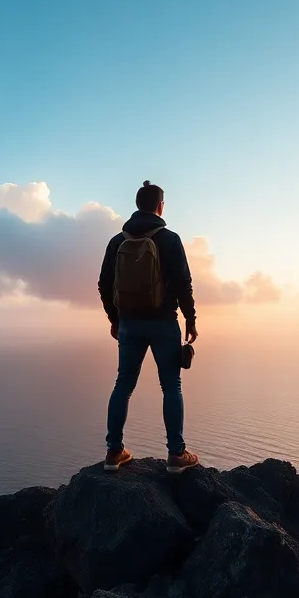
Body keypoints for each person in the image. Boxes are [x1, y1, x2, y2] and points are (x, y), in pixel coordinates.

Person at [98, 181, 200, 473]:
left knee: (123, 385)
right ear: (160, 206)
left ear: (137, 204)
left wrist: (115, 320)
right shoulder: (169, 239)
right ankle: (176, 454)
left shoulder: (117, 242)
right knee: (171, 386)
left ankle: (114, 451)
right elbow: (183, 283)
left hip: (129, 323)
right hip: (164, 323)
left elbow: (104, 284)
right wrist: (191, 319)